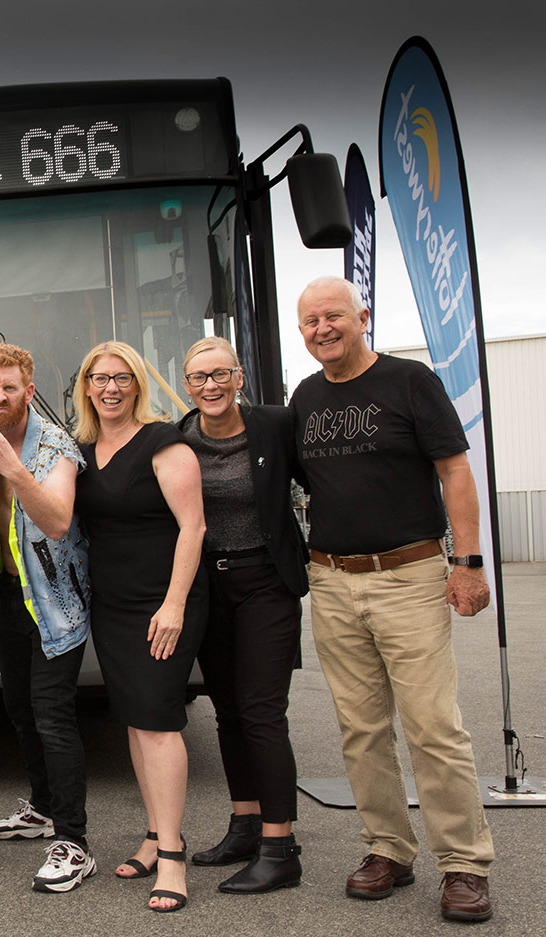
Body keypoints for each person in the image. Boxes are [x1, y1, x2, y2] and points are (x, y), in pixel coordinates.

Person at [289, 276, 494, 923]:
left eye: (333, 316)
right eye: (310, 321)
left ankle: (463, 862)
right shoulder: (305, 396)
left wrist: (466, 561)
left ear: (362, 316)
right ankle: (388, 849)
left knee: (433, 724)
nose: (322, 327)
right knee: (361, 728)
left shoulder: (410, 382)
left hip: (409, 574)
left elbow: (455, 468)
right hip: (332, 579)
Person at [71, 340, 206, 913]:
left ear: (137, 384)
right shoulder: (83, 447)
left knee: (157, 722)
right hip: (113, 605)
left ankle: (173, 855)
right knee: (133, 720)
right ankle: (153, 835)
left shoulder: (164, 441)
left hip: (162, 603)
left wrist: (174, 604)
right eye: (99, 378)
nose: (110, 388)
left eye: (121, 378)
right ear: (86, 387)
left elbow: (193, 528)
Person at [176, 337, 308, 893]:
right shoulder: (177, 437)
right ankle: (245, 824)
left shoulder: (275, 426)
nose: (210, 385)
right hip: (211, 585)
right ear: (187, 385)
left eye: (220, 374)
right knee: (228, 709)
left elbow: (322, 481)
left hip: (265, 584)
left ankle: (280, 848)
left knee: (260, 711)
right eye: (199, 377)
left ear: (240, 377)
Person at [0, 342, 95, 894]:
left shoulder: (55, 447)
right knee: (19, 708)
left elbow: (60, 520)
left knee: (52, 715)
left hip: (57, 604)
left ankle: (75, 841)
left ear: (29, 392)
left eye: (9, 388)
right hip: (10, 598)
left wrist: (12, 469)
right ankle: (43, 809)